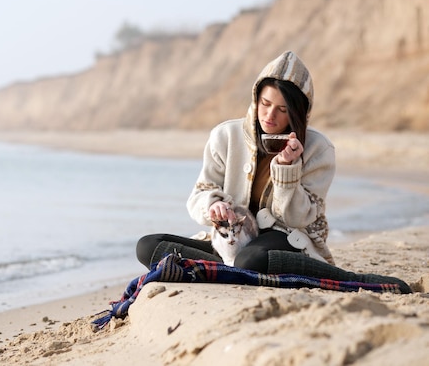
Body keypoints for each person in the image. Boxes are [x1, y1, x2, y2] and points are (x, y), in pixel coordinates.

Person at [136, 51, 411, 293]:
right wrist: (214, 205)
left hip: (283, 239)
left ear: (297, 113)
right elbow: (200, 194)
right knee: (148, 246)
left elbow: (298, 217)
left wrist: (287, 170)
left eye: (282, 109)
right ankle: (228, 267)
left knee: (250, 261)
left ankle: (348, 279)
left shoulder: (318, 149)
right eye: (265, 104)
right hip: (232, 240)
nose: (270, 116)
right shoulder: (225, 136)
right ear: (255, 99)